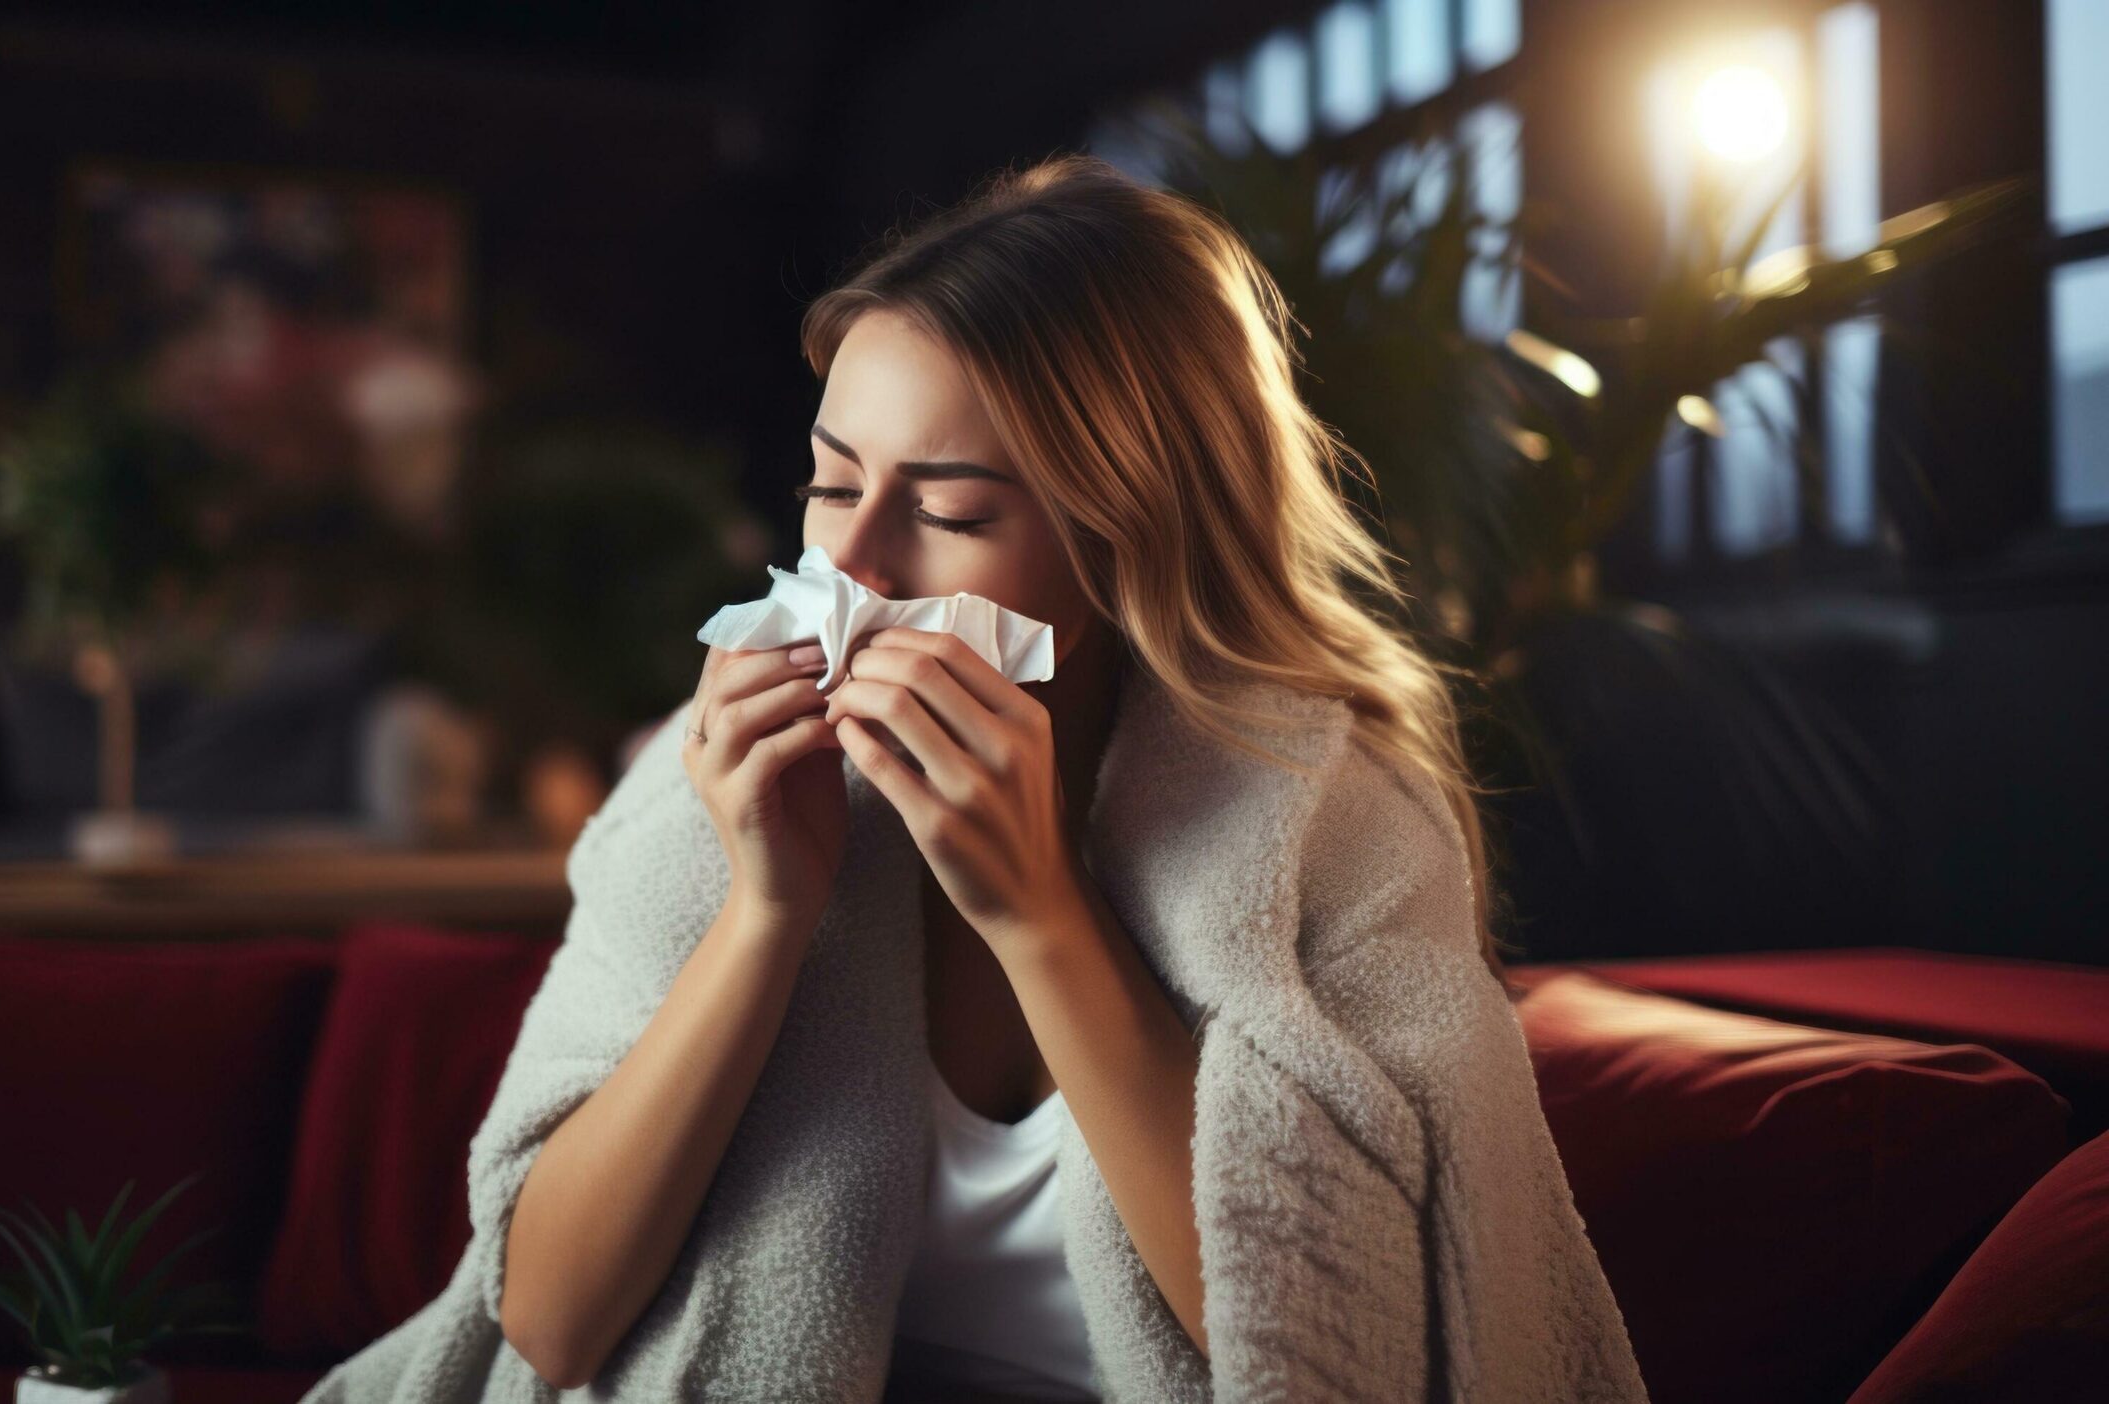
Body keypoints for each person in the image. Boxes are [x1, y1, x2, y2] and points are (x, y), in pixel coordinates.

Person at [301, 152, 1643, 1404]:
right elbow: (549, 1318)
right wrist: (763, 913)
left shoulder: (1333, 829)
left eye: (949, 513)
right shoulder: (721, 780)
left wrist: (1040, 915)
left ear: (1127, 546)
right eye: (834, 487)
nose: (862, 569)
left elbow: (1319, 1351)